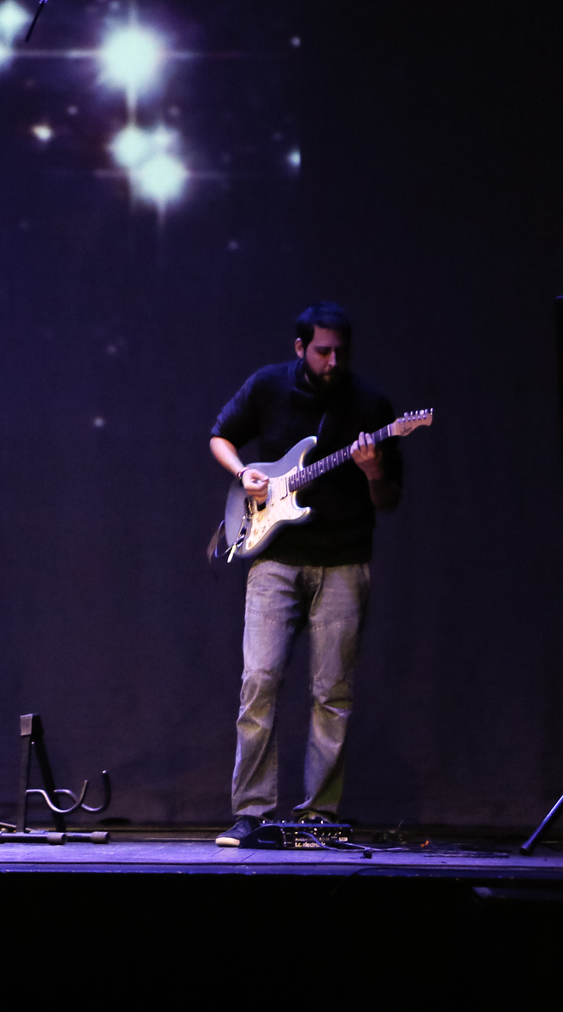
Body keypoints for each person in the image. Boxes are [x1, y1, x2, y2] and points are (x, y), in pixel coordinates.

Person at [209, 302, 404, 848]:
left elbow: (388, 500)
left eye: (341, 351)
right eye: (322, 351)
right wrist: (243, 471)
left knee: (332, 692)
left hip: (344, 558)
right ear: (301, 348)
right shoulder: (268, 387)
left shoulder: (370, 405)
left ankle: (318, 813)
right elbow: (220, 436)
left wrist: (373, 470)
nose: (333, 360)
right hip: (274, 557)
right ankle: (251, 812)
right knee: (259, 683)